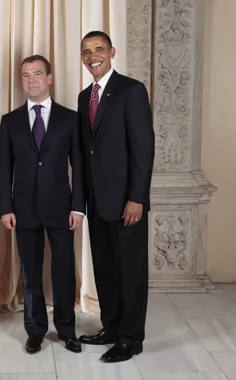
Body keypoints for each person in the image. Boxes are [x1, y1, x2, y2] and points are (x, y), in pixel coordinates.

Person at [76, 31, 155, 363]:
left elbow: (143, 149)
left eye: (98, 50)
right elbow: (86, 152)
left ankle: (130, 337)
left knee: (130, 271)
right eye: (86, 52)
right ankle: (110, 327)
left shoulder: (131, 90)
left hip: (126, 203)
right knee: (106, 269)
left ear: (112, 52)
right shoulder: (84, 97)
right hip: (98, 202)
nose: (93, 56)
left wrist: (136, 198)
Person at [0, 55, 85, 354]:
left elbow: (80, 167)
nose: (31, 80)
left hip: (62, 208)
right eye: (25, 75)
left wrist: (78, 207)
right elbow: (4, 169)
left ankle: (66, 330)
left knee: (63, 272)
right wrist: (6, 207)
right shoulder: (9, 121)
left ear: (49, 78)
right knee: (30, 273)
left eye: (37, 74)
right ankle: (34, 329)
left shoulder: (70, 119)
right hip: (23, 210)